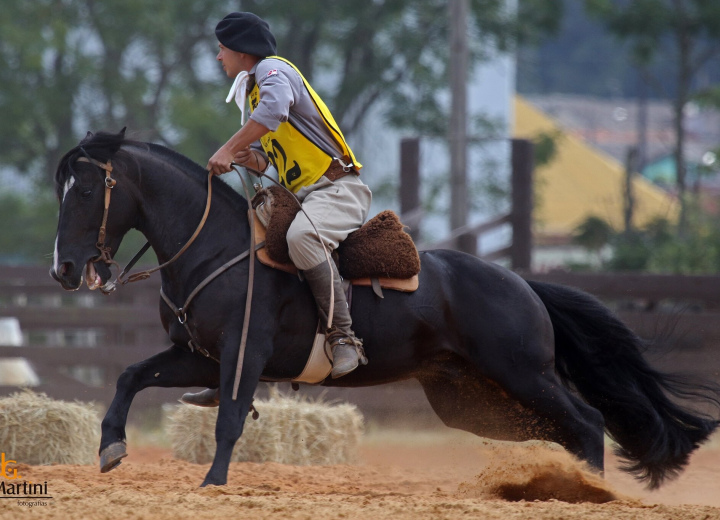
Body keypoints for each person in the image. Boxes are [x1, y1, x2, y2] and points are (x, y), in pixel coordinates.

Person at [182, 12, 371, 406]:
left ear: (238, 51)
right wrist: (250, 160)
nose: (218, 58)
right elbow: (275, 163)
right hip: (309, 194)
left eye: (221, 50)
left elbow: (274, 111)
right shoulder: (254, 89)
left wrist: (228, 149)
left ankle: (343, 337)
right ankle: (231, 370)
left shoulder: (272, 70)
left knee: (302, 238)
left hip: (339, 191)